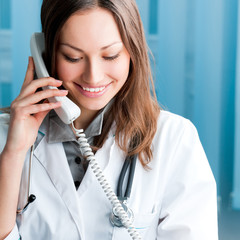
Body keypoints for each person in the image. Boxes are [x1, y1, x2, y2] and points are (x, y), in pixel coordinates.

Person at [0, 0, 218, 239]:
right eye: (73, 57)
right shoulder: (7, 137)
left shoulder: (174, 139)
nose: (93, 77)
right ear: (45, 53)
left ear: (132, 51)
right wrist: (13, 153)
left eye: (111, 55)